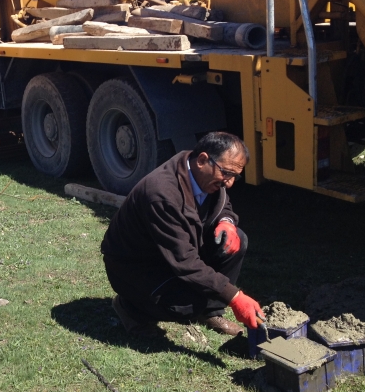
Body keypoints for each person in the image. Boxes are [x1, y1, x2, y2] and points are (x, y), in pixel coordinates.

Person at [101, 131, 264, 336]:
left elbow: (224, 205)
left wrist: (227, 222)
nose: (229, 183)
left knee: (237, 239)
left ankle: (211, 311)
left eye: (235, 176)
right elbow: (185, 263)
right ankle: (130, 307)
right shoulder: (161, 194)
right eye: (227, 173)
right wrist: (235, 297)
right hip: (136, 267)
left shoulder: (205, 176)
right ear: (203, 160)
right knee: (188, 306)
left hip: (172, 255)